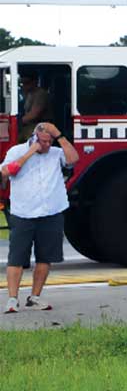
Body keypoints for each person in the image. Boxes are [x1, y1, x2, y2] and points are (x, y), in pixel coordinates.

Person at [3, 121, 79, 313]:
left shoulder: (56, 153)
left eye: (49, 141)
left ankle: (35, 297)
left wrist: (60, 136)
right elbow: (7, 171)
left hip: (51, 211)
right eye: (43, 141)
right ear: (35, 138)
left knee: (45, 257)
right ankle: (12, 299)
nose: (46, 145)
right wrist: (30, 153)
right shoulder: (17, 151)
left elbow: (73, 159)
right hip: (24, 212)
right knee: (17, 258)